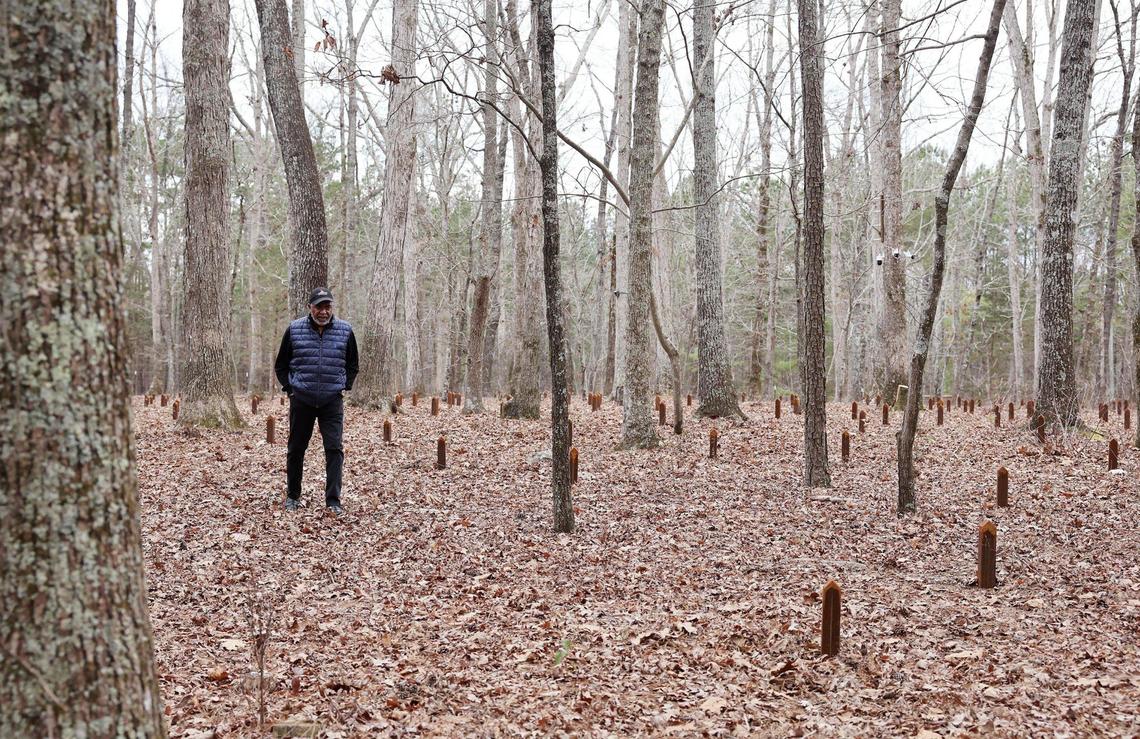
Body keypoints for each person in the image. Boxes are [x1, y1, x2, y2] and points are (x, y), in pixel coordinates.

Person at [274, 288, 358, 515]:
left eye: (327, 306)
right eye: (319, 306)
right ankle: (293, 496)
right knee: (296, 449)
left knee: (334, 449)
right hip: (302, 399)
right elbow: (281, 365)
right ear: (310, 307)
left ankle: (333, 500)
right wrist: (291, 389)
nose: (323, 311)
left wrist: (343, 386)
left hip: (332, 401)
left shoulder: (345, 331)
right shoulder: (294, 330)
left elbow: (352, 365)